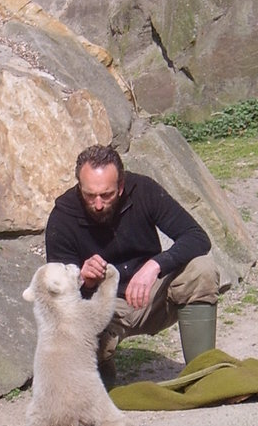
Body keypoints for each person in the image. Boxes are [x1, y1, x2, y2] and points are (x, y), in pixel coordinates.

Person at [45, 144, 220, 386]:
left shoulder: (143, 191)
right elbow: (56, 301)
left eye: (106, 195)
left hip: (152, 295)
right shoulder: (62, 217)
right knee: (70, 338)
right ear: (79, 187)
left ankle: (203, 376)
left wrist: (155, 265)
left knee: (201, 268)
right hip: (104, 309)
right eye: (89, 195)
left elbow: (197, 237)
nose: (97, 204)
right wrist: (82, 280)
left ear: (121, 186)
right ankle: (101, 373)